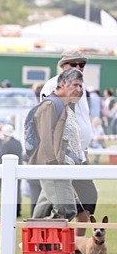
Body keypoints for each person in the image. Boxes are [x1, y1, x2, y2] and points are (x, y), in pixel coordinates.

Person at [40, 51, 96, 232]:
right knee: (65, 205)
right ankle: (35, 240)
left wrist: (83, 148)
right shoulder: (54, 86)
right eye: (74, 64)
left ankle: (77, 248)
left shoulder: (81, 86)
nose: (79, 67)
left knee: (84, 198)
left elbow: (81, 119)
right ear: (63, 66)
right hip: (62, 155)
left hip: (78, 154)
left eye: (82, 65)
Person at [31, 68, 85, 221]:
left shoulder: (64, 106)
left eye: (81, 86)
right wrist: (54, 165)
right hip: (53, 167)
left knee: (42, 212)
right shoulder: (50, 105)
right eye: (75, 85)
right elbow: (45, 138)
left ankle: (33, 242)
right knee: (66, 211)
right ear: (62, 84)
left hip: (61, 168)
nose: (79, 90)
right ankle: (41, 242)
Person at [0, 124, 24, 217]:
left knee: (8, 191)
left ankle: (9, 210)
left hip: (8, 171)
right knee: (17, 190)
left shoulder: (5, 144)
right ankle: (18, 210)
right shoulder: (18, 143)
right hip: (19, 169)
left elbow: (1, 155)